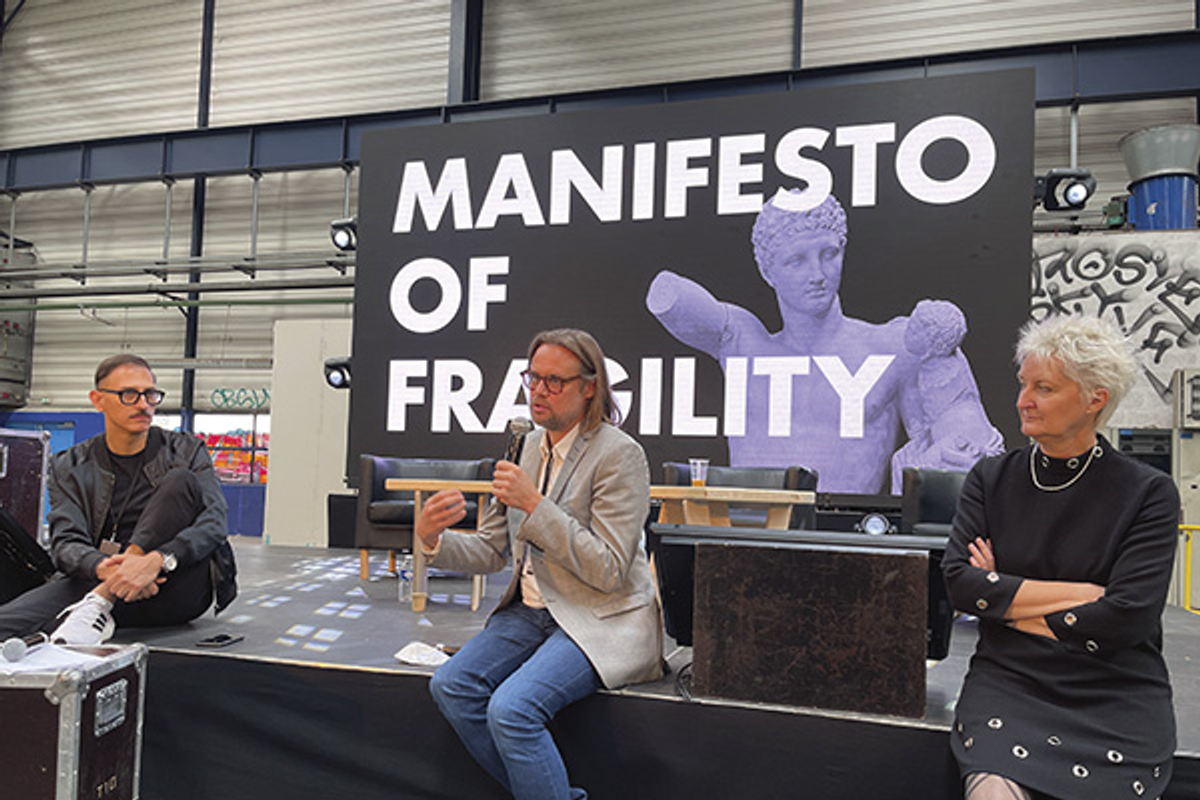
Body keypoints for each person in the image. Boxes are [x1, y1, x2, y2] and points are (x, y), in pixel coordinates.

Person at [417, 328, 662, 800]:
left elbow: (610, 569)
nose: (539, 391)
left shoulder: (619, 454)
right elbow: (492, 549)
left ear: (589, 386)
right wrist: (431, 540)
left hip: (598, 616)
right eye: (533, 378)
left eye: (555, 381)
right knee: (451, 686)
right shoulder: (524, 447)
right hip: (529, 614)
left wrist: (536, 505)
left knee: (511, 710)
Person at [942, 314, 1178, 800]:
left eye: (1044, 388)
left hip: (1114, 690)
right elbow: (960, 585)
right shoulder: (990, 479)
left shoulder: (1148, 493)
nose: (1022, 400)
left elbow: (1127, 619)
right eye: (1023, 383)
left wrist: (1003, 603)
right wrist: (1086, 595)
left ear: (1095, 399)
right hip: (1009, 680)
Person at [646, 191, 1003, 494]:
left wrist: (955, 446)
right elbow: (668, 298)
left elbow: (966, 431)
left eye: (828, 254)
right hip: (747, 532)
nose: (817, 275)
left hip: (845, 536)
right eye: (796, 260)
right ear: (768, 270)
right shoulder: (745, 344)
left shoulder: (892, 346)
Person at [0, 354, 236, 645]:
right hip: (101, 577)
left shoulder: (186, 450)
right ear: (98, 400)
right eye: (129, 394)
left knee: (180, 481)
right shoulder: (69, 465)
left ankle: (101, 601)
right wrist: (107, 568)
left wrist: (156, 560)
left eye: (150, 394)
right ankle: (97, 605)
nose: (143, 404)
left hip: (176, 580)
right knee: (8, 623)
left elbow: (214, 522)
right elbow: (66, 543)